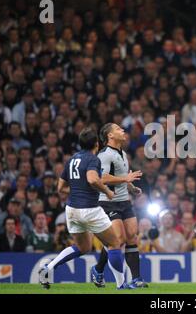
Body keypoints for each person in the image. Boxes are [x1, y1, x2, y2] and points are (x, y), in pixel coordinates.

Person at [38, 127, 128, 290]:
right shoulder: (93, 159)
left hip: (72, 210)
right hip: (90, 209)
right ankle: (122, 285)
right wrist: (107, 191)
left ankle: (48, 268)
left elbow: (60, 188)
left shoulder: (72, 159)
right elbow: (93, 179)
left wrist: (79, 190)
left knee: (83, 247)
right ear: (96, 144)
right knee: (115, 243)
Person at [91, 123, 147, 289]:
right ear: (110, 136)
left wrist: (132, 188)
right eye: (118, 129)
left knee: (132, 236)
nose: (122, 130)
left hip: (124, 201)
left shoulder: (122, 153)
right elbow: (101, 178)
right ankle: (98, 269)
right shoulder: (105, 155)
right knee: (117, 239)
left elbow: (122, 177)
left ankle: (136, 278)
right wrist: (126, 179)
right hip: (108, 201)